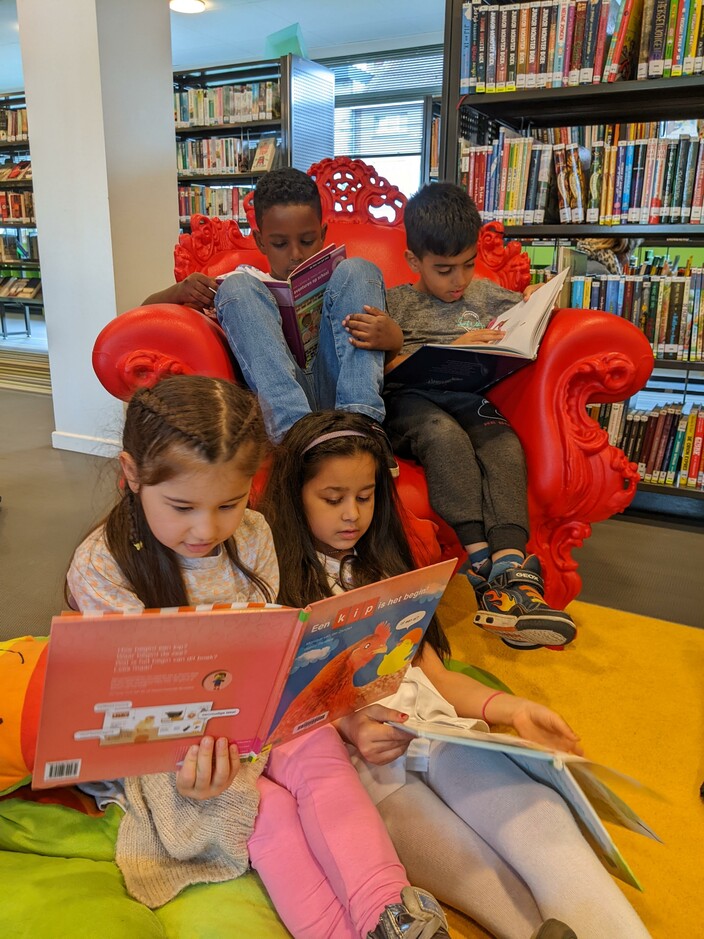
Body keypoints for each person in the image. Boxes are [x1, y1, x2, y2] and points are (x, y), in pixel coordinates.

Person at [66, 375, 450, 939]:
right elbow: (119, 709)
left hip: (255, 720)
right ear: (131, 475)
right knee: (267, 811)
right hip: (166, 755)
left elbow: (271, 645)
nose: (207, 528)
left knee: (323, 762)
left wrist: (327, 702)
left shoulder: (253, 534)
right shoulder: (102, 567)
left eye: (229, 502)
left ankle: (391, 916)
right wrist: (194, 770)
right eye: (181, 506)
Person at [258, 410, 652, 939]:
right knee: (476, 871)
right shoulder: (267, 580)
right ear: (294, 496)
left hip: (437, 735)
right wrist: (347, 726)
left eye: (366, 496)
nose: (352, 515)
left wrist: (513, 709)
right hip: (366, 776)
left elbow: (436, 678)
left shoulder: (386, 565)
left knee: (540, 817)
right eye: (332, 499)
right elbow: (276, 718)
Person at [343, 182, 575, 650]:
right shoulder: (395, 302)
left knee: (503, 442)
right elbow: (375, 371)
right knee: (444, 437)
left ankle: (510, 561)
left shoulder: (484, 296)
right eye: (444, 269)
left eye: (468, 264)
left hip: (469, 398)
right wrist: (444, 348)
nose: (459, 280)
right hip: (412, 405)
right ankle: (480, 560)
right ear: (414, 262)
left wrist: (539, 299)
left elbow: (538, 318)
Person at [209, 167, 403, 462]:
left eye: (307, 240)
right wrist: (178, 292)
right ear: (261, 242)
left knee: (359, 269)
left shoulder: (345, 285)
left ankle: (363, 427)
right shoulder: (247, 282)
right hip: (284, 407)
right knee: (237, 288)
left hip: (342, 397)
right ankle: (297, 438)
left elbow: (383, 360)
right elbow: (153, 313)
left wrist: (394, 339)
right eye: (279, 244)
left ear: (323, 235)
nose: (296, 254)